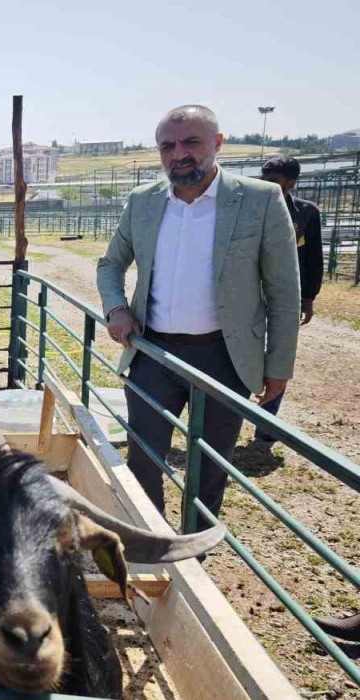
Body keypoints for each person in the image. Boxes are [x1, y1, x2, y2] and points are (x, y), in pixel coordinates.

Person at [96, 105, 300, 518]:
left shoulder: (259, 200)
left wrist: (278, 365)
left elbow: (282, 289)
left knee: (211, 463)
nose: (178, 154)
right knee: (144, 455)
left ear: (218, 143)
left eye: (191, 142)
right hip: (154, 353)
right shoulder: (143, 202)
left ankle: (195, 547)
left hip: (223, 357)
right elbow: (110, 264)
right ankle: (151, 540)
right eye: (167, 145)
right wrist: (117, 308)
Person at [249, 155, 323, 448]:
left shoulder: (305, 214)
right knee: (244, 353)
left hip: (286, 296)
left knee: (279, 358)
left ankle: (265, 430)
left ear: (291, 182)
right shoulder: (250, 208)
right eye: (264, 178)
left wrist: (308, 297)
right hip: (251, 293)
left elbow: (313, 258)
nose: (266, 184)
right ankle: (228, 418)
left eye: (274, 180)